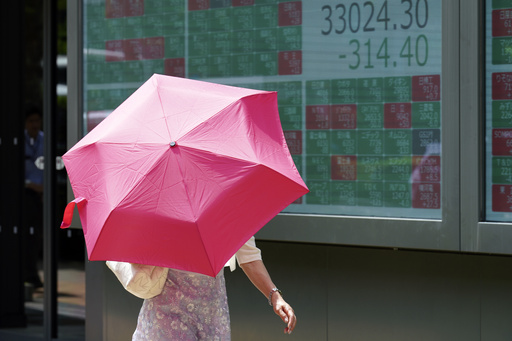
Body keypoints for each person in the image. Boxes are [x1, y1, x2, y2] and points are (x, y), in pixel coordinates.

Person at [132, 236, 296, 340]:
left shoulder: (228, 200)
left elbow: (249, 257)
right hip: (166, 313)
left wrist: (275, 295)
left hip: (212, 314)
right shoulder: (164, 196)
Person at [23, 105, 45, 289]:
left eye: (37, 120)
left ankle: (31, 273)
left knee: (36, 236)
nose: (35, 124)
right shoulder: (18, 140)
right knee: (24, 235)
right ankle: (27, 274)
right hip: (24, 193)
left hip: (41, 194)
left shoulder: (45, 139)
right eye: (31, 121)